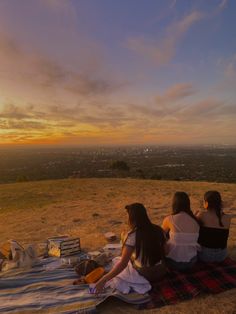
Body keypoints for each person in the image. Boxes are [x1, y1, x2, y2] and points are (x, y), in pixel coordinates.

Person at [94, 203, 167, 294]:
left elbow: (123, 264)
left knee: (117, 262)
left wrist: (103, 280)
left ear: (132, 219)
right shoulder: (158, 229)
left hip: (145, 274)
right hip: (162, 271)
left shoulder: (132, 235)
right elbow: (166, 251)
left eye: (128, 217)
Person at [162, 192, 200, 270]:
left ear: (174, 204)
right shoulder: (196, 220)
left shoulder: (169, 219)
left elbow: (160, 235)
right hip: (192, 262)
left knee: (164, 238)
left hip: (172, 262)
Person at [196, 190, 233, 262]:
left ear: (206, 203)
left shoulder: (202, 215)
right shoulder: (228, 217)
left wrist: (195, 215)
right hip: (222, 255)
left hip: (205, 256)